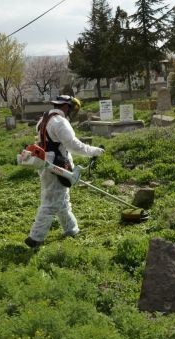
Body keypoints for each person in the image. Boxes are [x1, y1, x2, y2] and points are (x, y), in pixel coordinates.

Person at [25, 95, 104, 249]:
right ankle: (35, 238)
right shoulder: (60, 122)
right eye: (73, 109)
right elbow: (74, 146)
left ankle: (71, 229)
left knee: (62, 200)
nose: (73, 113)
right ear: (66, 107)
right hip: (57, 165)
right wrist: (95, 151)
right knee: (50, 203)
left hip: (47, 162)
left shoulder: (44, 119)